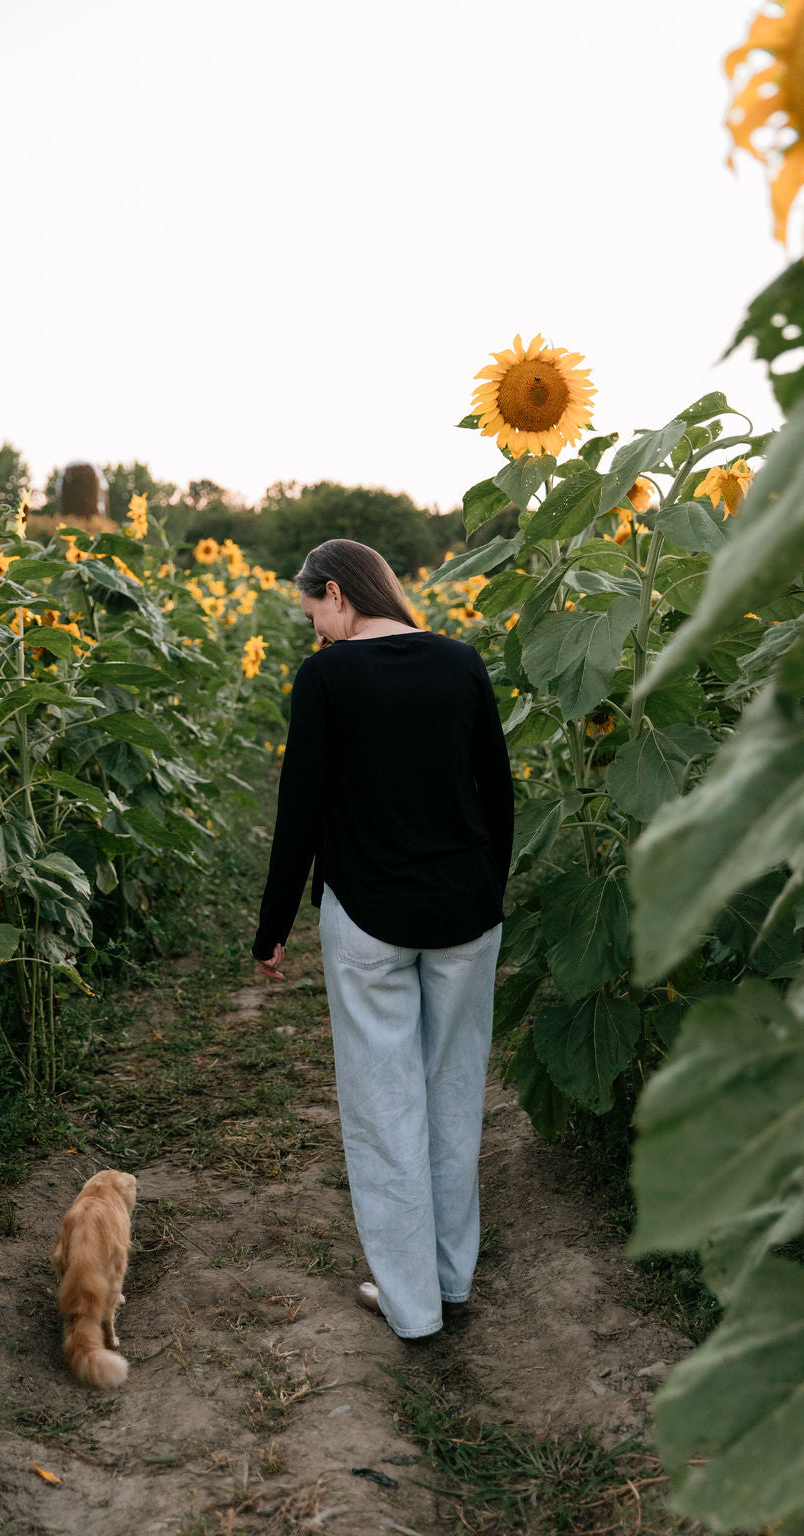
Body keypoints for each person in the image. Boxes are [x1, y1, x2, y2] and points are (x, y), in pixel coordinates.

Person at [252, 538, 513, 1340]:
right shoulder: (460, 661)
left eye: (315, 618)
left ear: (335, 592)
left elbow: (300, 809)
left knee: (383, 1106)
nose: (317, 635)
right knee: (454, 1091)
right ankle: (452, 1278)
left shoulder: (326, 678)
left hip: (366, 917)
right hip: (466, 913)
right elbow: (497, 793)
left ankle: (412, 1306)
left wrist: (272, 928)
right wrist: (485, 891)